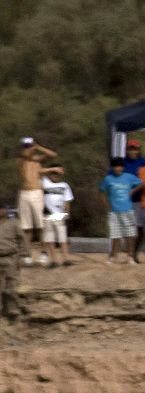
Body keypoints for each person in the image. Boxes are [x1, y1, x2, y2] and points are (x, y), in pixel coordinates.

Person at [17, 137, 60, 266]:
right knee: (26, 227)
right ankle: (27, 254)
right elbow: (26, 156)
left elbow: (53, 154)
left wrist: (39, 147)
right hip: (24, 193)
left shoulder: (37, 160)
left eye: (29, 146)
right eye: (26, 146)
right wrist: (33, 148)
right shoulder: (21, 160)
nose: (28, 148)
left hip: (36, 193)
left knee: (41, 226)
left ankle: (43, 252)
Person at [99, 158, 142, 264]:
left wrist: (132, 190)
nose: (118, 168)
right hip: (114, 211)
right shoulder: (108, 179)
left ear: (123, 167)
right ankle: (113, 257)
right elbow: (101, 191)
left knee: (130, 234)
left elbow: (142, 183)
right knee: (115, 235)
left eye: (120, 166)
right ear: (112, 167)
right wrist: (106, 205)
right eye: (115, 166)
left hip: (128, 210)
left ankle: (130, 257)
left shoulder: (129, 177)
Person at [41, 167, 73, 267]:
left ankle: (66, 259)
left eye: (57, 174)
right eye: (53, 174)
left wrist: (67, 212)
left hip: (59, 214)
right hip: (48, 214)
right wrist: (51, 169)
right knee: (50, 238)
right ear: (50, 174)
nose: (55, 176)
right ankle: (54, 260)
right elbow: (38, 171)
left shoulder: (64, 185)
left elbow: (67, 200)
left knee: (62, 238)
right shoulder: (45, 182)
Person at [0, 201, 27, 320]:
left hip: (11, 257)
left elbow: (23, 240)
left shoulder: (14, 223)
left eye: (2, 208)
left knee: (12, 285)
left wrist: (22, 257)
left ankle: (13, 311)